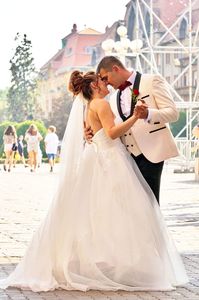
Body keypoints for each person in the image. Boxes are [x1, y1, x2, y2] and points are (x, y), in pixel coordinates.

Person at [0, 71, 188, 292]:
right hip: (111, 159)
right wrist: (135, 118)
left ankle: (110, 262)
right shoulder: (102, 104)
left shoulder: (91, 106)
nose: (106, 83)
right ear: (95, 86)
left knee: (100, 213)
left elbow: (95, 131)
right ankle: (126, 265)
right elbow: (111, 133)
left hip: (99, 156)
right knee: (124, 212)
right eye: (103, 81)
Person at [85, 56, 179, 204]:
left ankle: (151, 228)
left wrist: (148, 114)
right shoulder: (114, 97)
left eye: (105, 77)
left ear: (115, 69)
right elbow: (113, 126)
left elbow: (173, 113)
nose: (106, 83)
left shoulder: (151, 81)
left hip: (152, 152)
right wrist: (93, 133)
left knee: (150, 204)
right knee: (133, 206)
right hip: (126, 157)